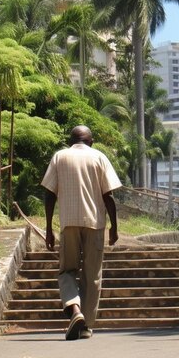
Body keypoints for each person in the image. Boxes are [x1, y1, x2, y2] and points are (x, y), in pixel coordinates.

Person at [41, 125, 122, 341]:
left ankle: (74, 309)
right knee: (91, 275)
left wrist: (49, 229)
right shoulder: (99, 157)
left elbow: (49, 195)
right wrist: (114, 226)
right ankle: (85, 325)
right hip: (94, 224)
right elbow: (109, 195)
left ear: (71, 140)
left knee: (67, 271)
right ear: (91, 141)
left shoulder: (60, 156)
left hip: (68, 223)